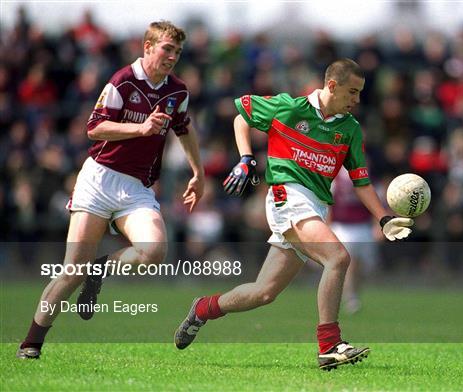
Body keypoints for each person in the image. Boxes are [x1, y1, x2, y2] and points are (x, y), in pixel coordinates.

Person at [174, 58, 413, 370]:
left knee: (264, 293)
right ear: (332, 86)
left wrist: (383, 218)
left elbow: (361, 182)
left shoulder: (350, 130)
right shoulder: (289, 107)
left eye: (359, 93)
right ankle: (329, 345)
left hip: (314, 209)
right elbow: (241, 118)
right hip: (286, 197)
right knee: (338, 258)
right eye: (352, 92)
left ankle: (203, 308)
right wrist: (246, 158)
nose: (357, 100)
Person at [17, 20, 205, 359]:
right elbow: (94, 128)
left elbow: (184, 128)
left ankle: (100, 269)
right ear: (148, 47)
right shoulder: (123, 80)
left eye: (177, 51)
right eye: (167, 48)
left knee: (154, 251)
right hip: (99, 180)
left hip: (136, 188)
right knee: (71, 271)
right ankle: (31, 342)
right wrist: (141, 128)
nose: (173, 56)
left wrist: (198, 171)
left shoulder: (177, 91)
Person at [330, 168, 379, 314]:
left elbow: (376, 199)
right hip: (342, 226)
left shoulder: (367, 174)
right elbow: (328, 201)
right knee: (349, 262)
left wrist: (378, 224)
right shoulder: (335, 176)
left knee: (363, 267)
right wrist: (327, 225)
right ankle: (350, 297)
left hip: (363, 226)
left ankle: (354, 293)